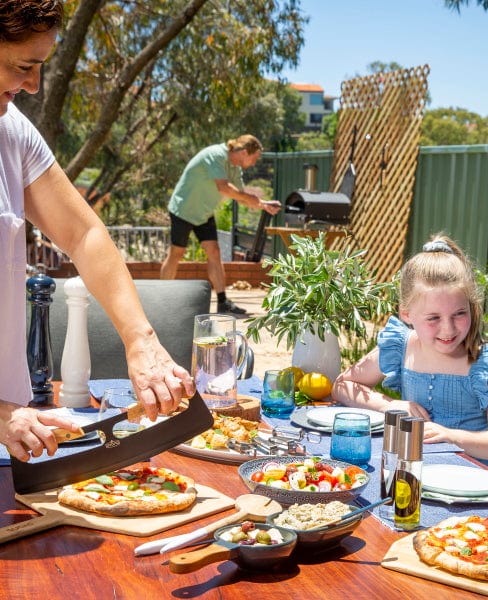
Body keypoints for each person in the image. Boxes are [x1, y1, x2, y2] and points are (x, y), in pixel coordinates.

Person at [0, 0, 195, 462]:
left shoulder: (13, 133)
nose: (33, 85)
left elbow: (84, 235)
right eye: (22, 66)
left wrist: (141, 343)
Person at [332, 234, 488, 471]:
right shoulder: (402, 346)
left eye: (459, 314)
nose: (448, 328)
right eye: (433, 318)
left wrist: (451, 436)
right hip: (415, 473)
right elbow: (341, 385)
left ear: (472, 307)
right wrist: (390, 405)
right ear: (407, 314)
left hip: (475, 479)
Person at [160, 135, 281, 315]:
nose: (255, 163)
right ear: (244, 152)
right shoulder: (216, 155)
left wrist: (264, 204)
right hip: (183, 209)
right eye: (254, 158)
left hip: (204, 213)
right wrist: (256, 200)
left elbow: (241, 195)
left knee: (214, 252)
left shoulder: (236, 168)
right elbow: (223, 188)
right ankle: (161, 297)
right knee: (177, 253)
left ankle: (222, 302)